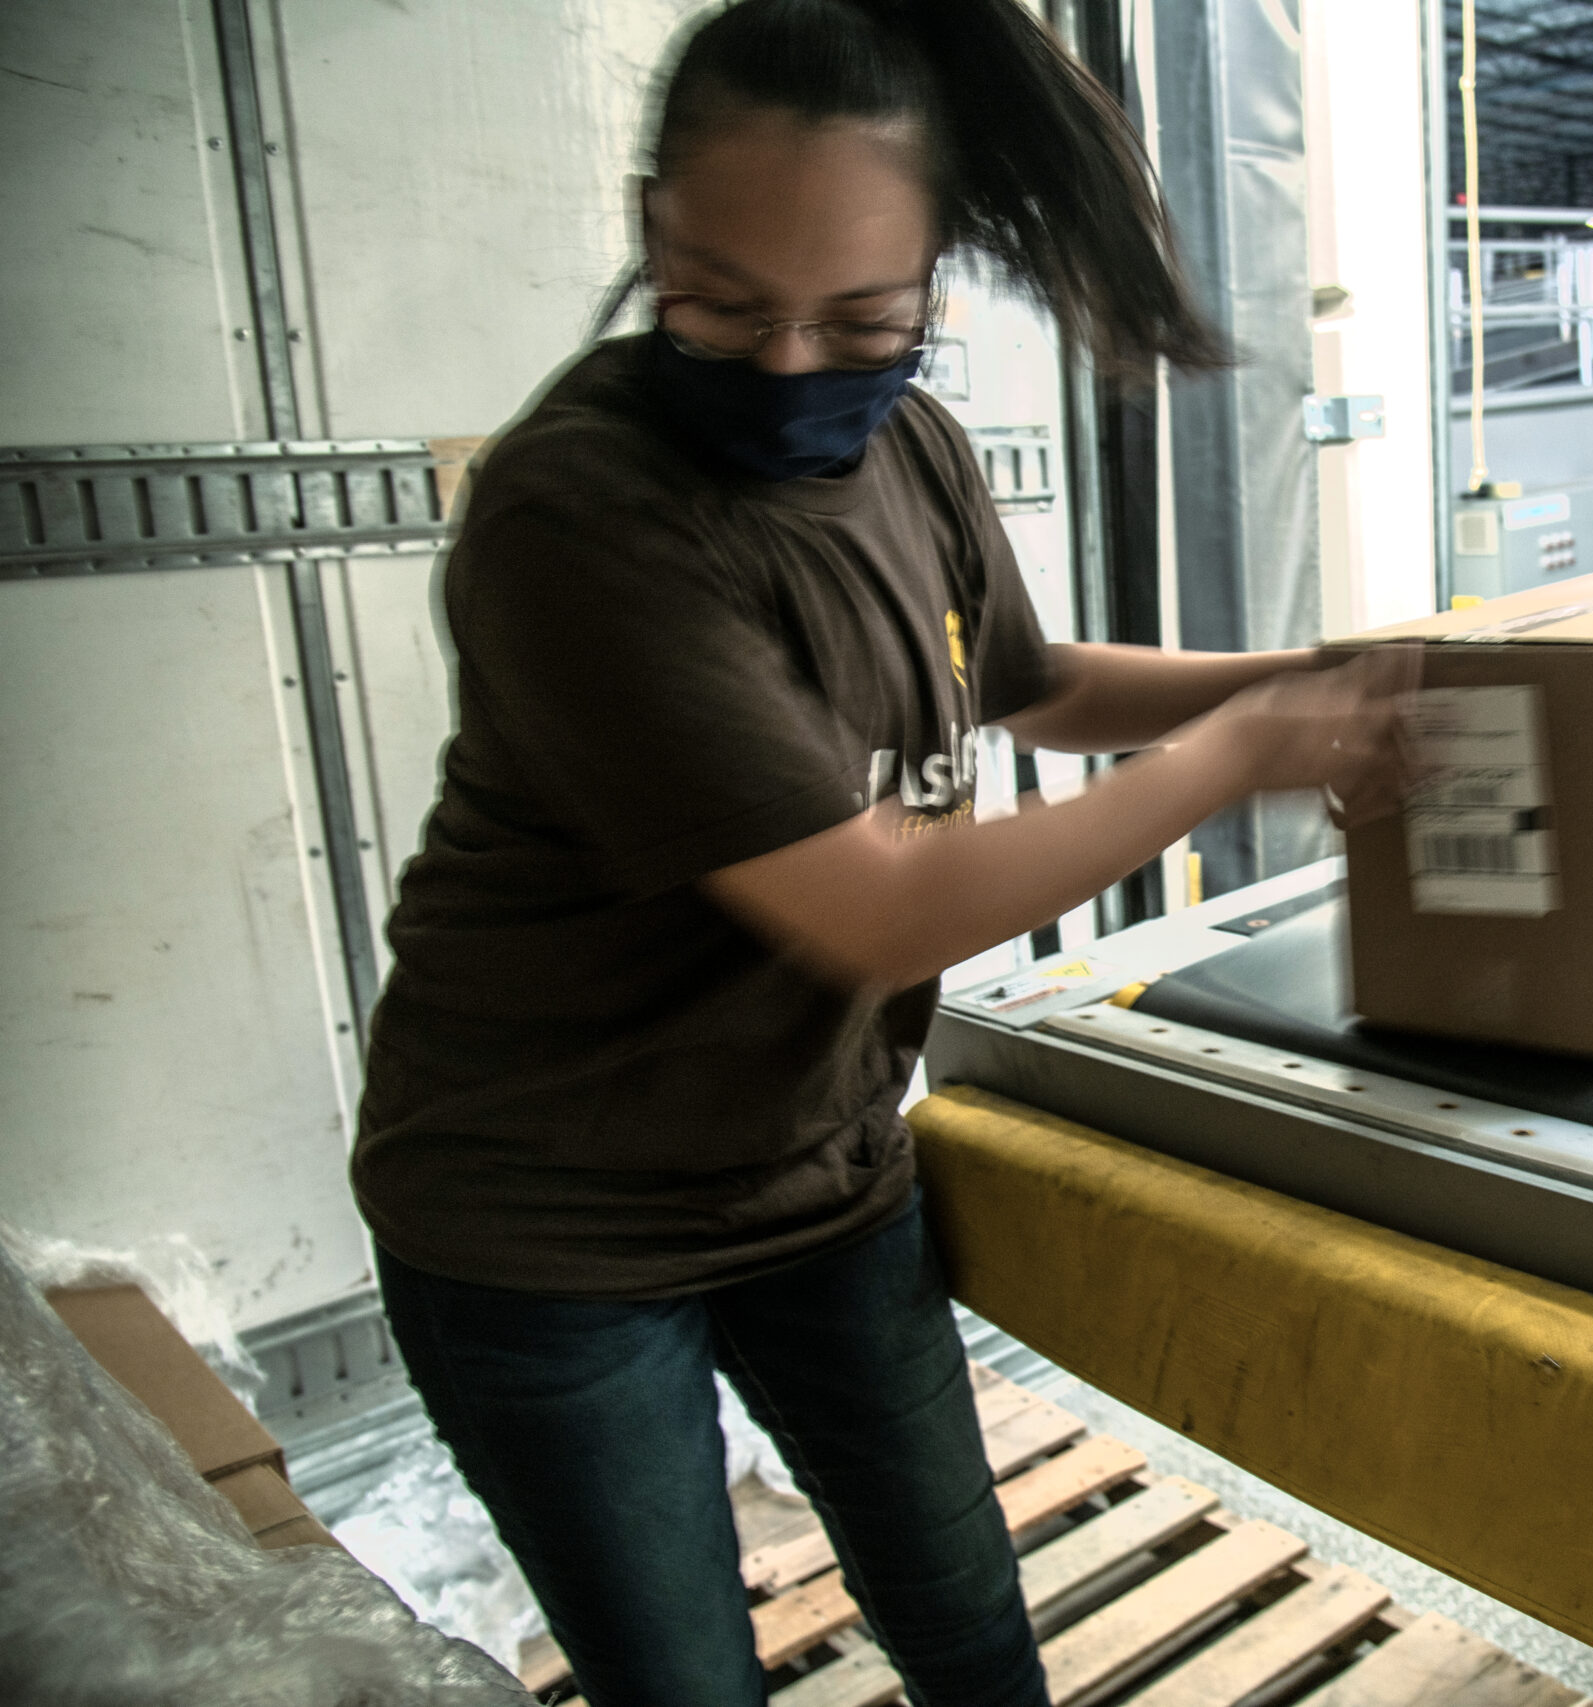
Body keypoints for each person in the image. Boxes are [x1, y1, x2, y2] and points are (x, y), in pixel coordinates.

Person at [347, 3, 1411, 1704]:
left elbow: (1041, 690)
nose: (787, 368)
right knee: (686, 1677)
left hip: (817, 1173)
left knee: (967, 1610)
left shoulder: (905, 443)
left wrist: (1305, 676)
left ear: (938, 271)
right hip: (548, 1228)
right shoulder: (584, 517)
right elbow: (878, 908)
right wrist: (1241, 761)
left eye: (859, 318)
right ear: (650, 237)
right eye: (722, 305)